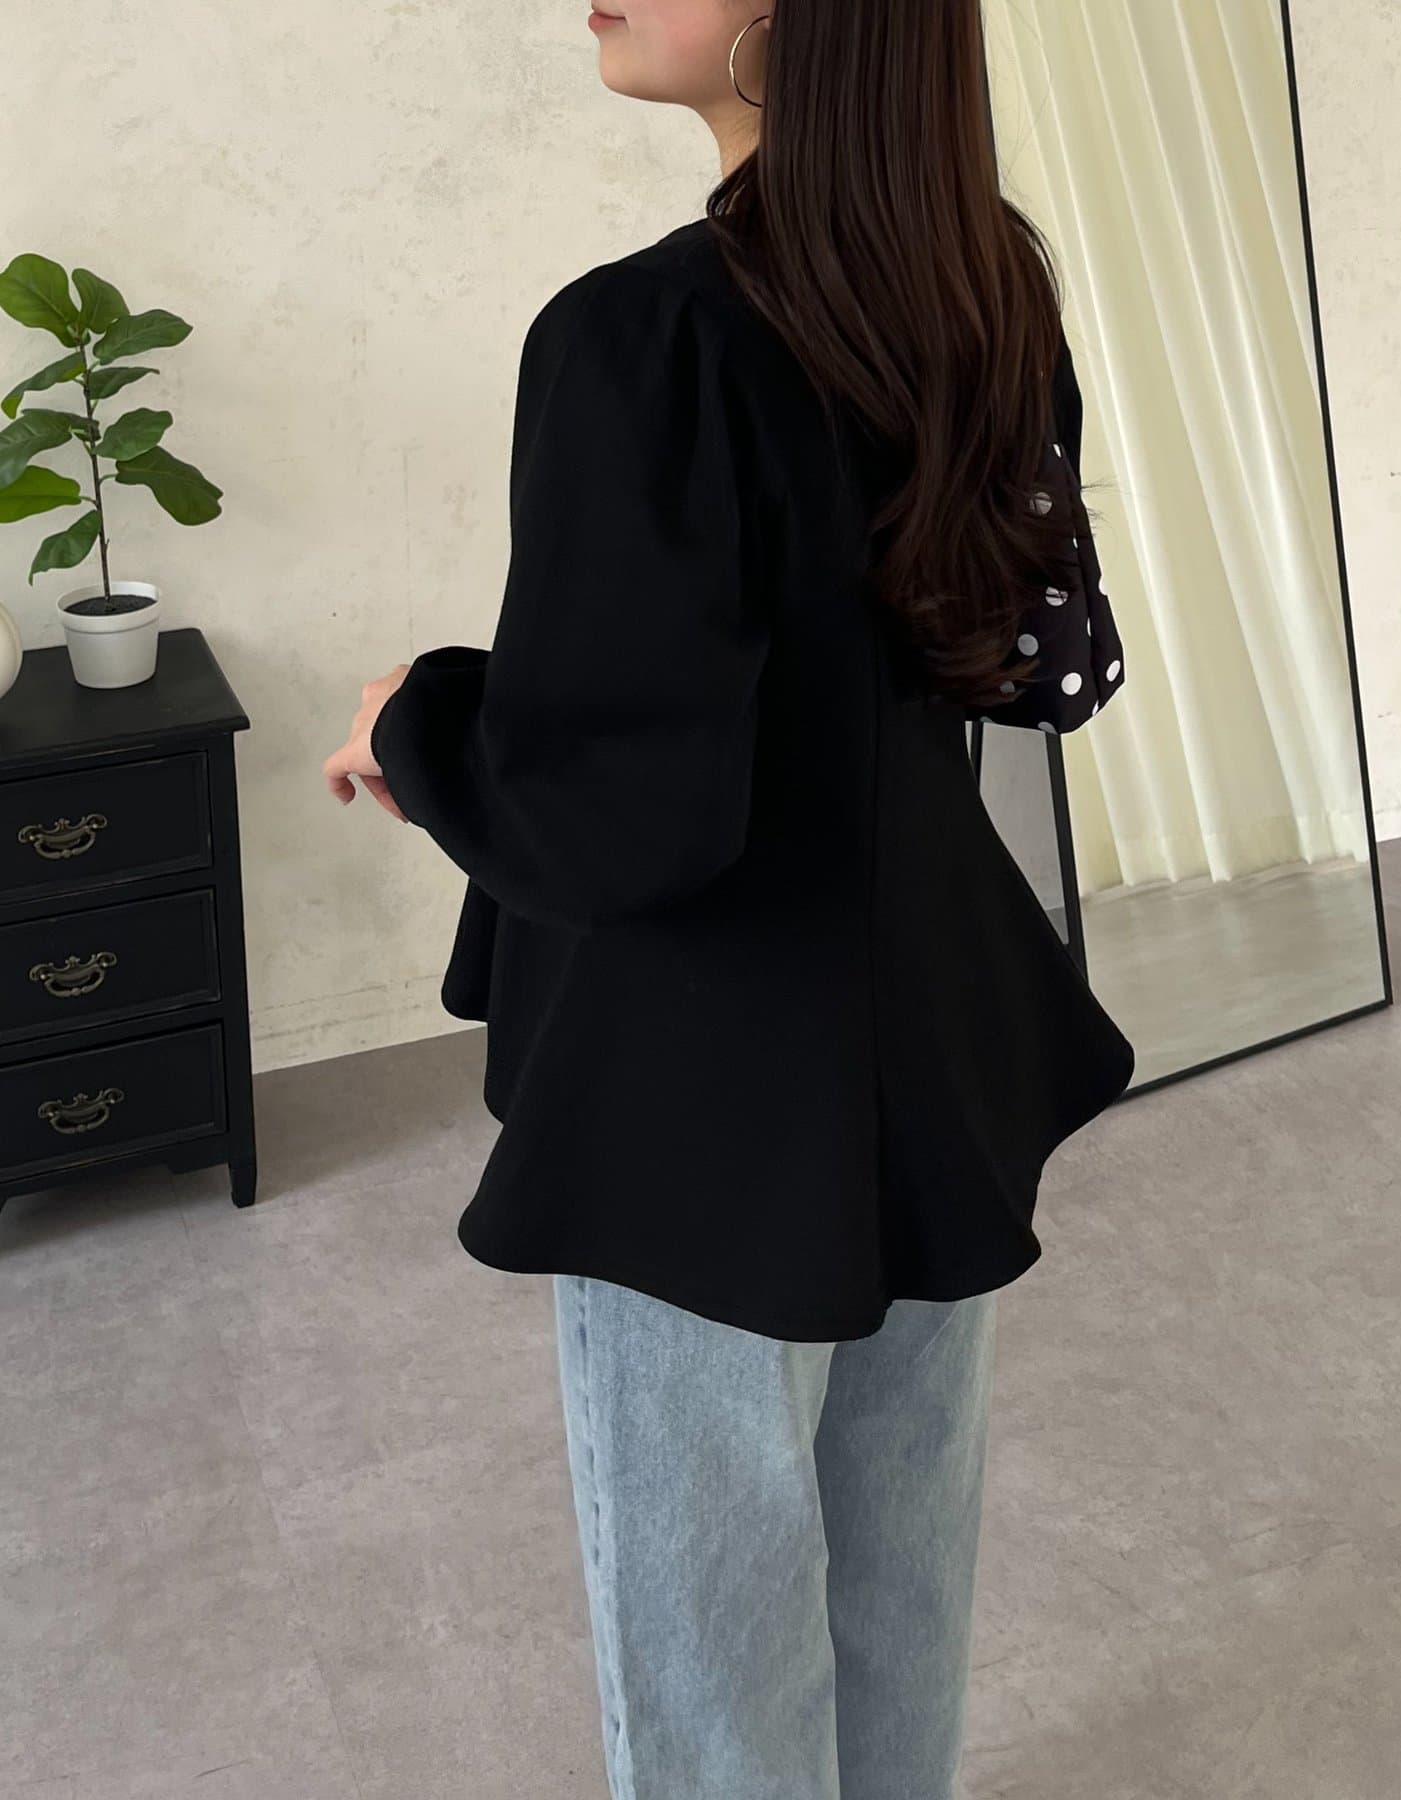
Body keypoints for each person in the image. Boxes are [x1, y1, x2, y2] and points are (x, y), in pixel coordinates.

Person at [323, 2, 1135, 1794]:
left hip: (695, 1101)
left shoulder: (641, 337)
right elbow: (1029, 664)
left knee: (711, 1650)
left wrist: (417, 722)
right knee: (898, 1569)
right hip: (930, 1030)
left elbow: (617, 817)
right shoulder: (978, 285)